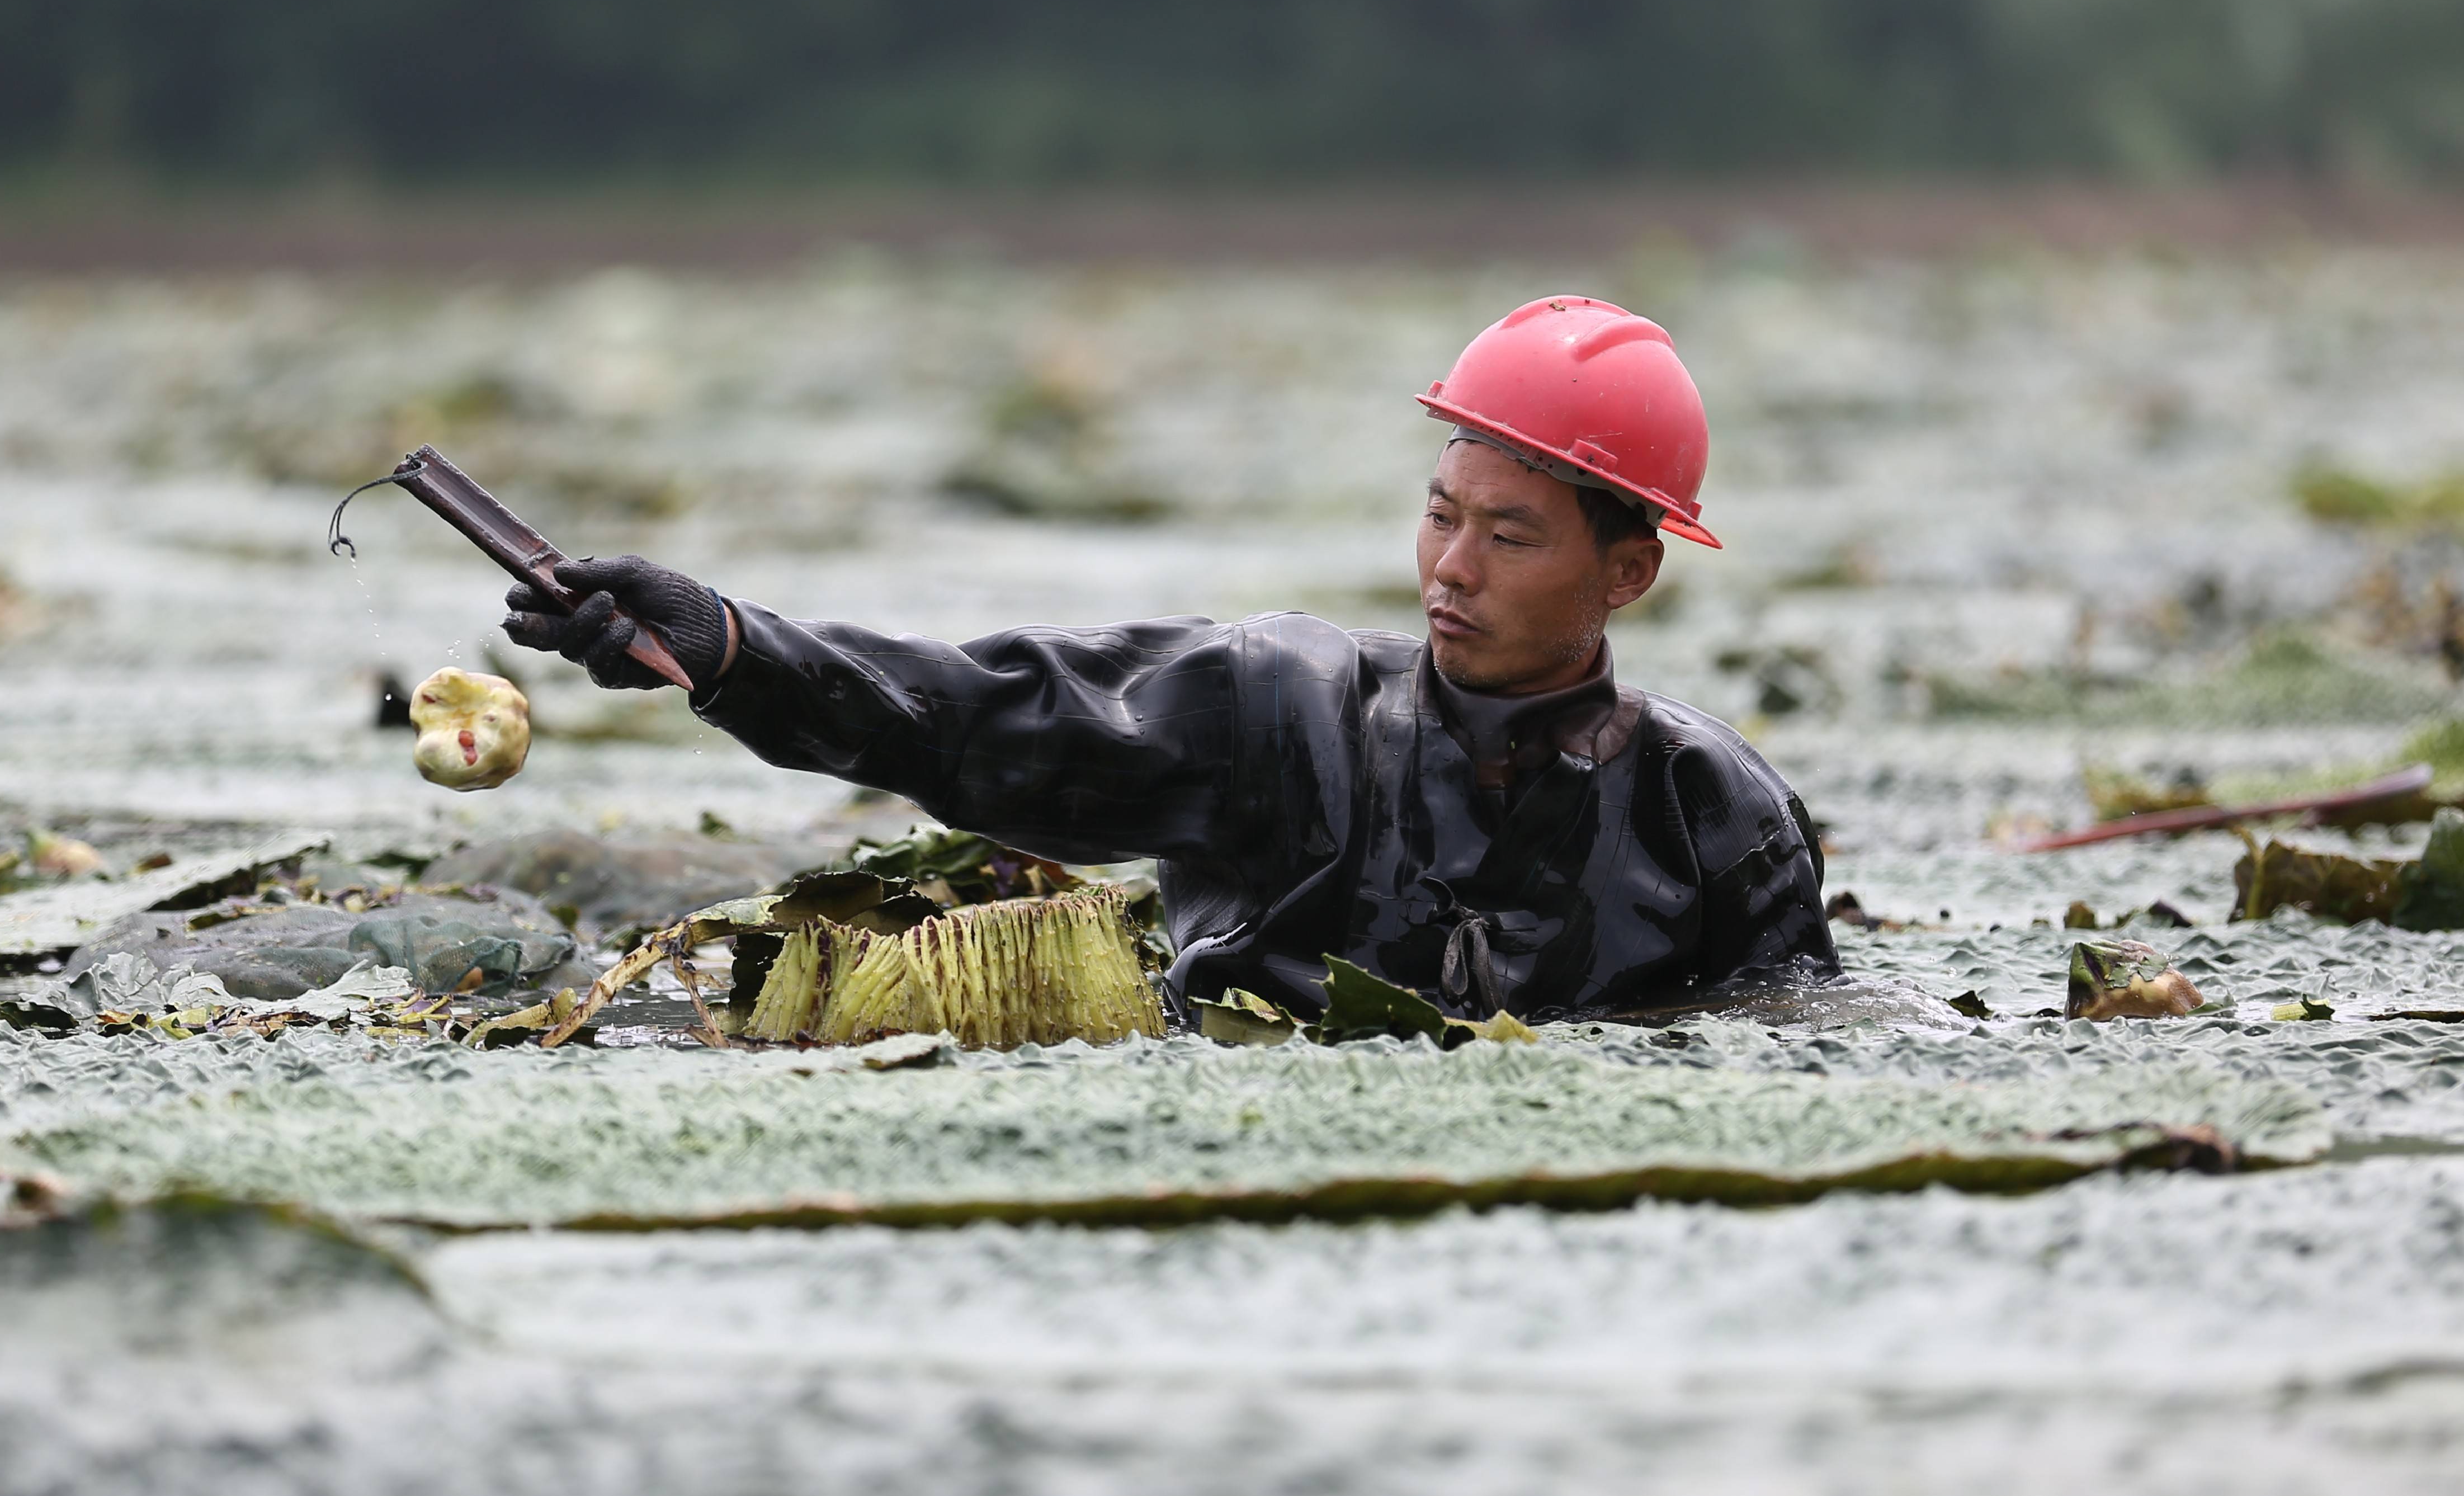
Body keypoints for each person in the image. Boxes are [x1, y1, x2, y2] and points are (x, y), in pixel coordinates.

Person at [506, 295, 1839, 1022]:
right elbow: (974, 719)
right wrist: (734, 647)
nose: (1452, 568)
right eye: (1441, 515)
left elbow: (1795, 1043)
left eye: (1511, 535)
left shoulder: (1717, 812)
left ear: (1629, 571)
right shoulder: (1274, 705)